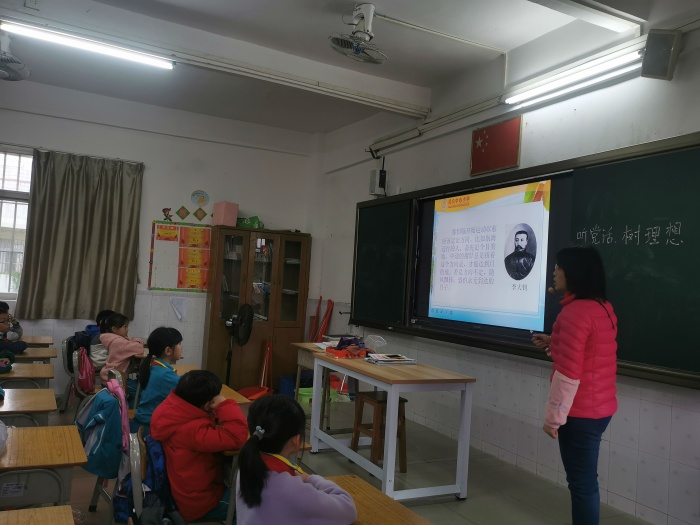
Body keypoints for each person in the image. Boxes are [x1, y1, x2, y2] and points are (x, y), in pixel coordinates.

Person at [531, 246, 617, 525]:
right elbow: (588, 354)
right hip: (601, 408)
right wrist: (554, 341)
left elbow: (568, 373)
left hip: (579, 413)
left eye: (559, 267)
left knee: (581, 485)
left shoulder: (573, 314)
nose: (554, 272)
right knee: (586, 481)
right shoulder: (603, 308)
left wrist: (553, 419)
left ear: (574, 273)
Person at [236, 395, 357, 525]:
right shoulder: (289, 488)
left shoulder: (248, 465)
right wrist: (311, 478)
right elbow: (348, 510)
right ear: (296, 441)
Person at [150, 370, 248, 522]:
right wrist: (224, 406)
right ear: (208, 404)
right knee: (252, 505)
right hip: (200, 503)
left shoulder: (171, 409)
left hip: (185, 491)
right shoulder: (193, 431)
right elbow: (237, 437)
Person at [131, 327, 183, 434]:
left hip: (143, 421)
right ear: (168, 350)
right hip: (149, 428)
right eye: (179, 344)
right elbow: (190, 389)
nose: (181, 347)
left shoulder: (155, 366)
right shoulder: (165, 375)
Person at [99, 313, 145, 383]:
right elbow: (139, 348)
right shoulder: (119, 342)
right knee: (138, 387)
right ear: (114, 329)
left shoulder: (112, 339)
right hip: (115, 380)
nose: (127, 329)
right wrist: (139, 341)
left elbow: (129, 340)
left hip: (109, 376)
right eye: (125, 327)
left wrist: (134, 341)